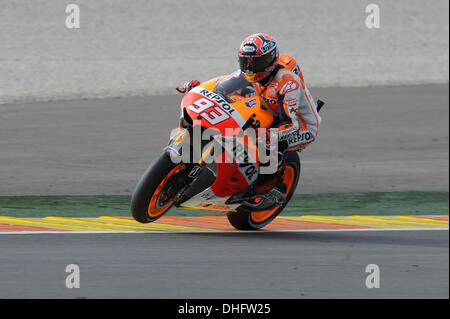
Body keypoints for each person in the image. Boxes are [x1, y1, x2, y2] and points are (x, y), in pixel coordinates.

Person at [177, 33, 322, 194]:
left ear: (271, 61)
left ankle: (271, 179)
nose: (249, 68)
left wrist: (270, 135)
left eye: (256, 62)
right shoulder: (248, 73)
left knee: (267, 141)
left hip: (301, 126)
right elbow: (220, 89)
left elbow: (290, 124)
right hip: (267, 109)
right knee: (237, 109)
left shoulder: (287, 84)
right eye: (245, 61)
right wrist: (199, 89)